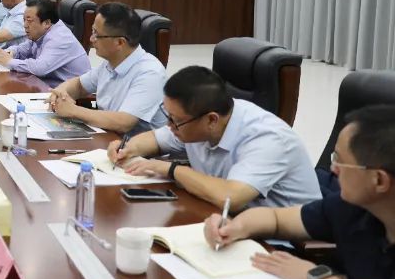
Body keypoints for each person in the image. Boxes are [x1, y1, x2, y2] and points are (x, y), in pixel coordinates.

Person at [203, 106, 395, 279]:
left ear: (379, 180)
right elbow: (276, 219)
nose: (332, 170)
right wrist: (236, 227)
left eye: (340, 162)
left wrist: (314, 276)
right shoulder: (351, 208)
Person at [109, 66, 321, 211]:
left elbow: (231, 198)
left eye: (175, 120)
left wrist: (171, 169)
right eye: (168, 116)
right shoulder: (195, 120)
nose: (169, 125)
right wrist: (127, 148)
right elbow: (155, 139)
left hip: (282, 244)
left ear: (211, 120)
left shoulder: (266, 138)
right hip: (225, 221)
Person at [49, 2, 168, 135]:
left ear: (120, 42)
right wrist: (61, 92)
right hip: (108, 137)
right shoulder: (111, 62)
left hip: (136, 145)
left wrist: (73, 110)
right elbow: (79, 85)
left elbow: (124, 122)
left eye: (97, 34)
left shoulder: (150, 73)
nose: (91, 39)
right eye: (92, 31)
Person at [0, 0, 91, 84]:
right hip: (48, 84)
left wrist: (9, 61)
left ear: (46, 23)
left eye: (29, 21)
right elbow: (23, 49)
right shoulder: (39, 34)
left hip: (70, 94)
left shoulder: (59, 38)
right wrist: (5, 53)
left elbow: (39, 68)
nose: (25, 25)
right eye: (24, 20)